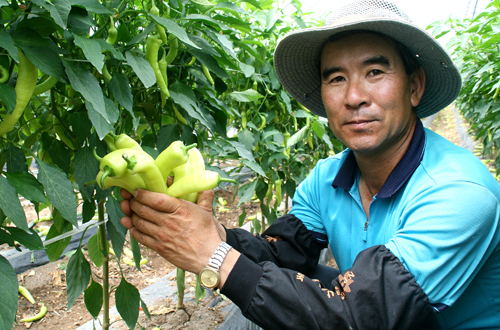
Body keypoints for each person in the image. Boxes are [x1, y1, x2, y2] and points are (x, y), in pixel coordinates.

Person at [120, 0, 500, 329]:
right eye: (336, 78)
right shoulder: (328, 178)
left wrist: (213, 257)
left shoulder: (460, 192)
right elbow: (278, 253)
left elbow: (363, 317)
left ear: (414, 87)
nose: (353, 97)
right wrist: (207, 233)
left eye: (375, 72)